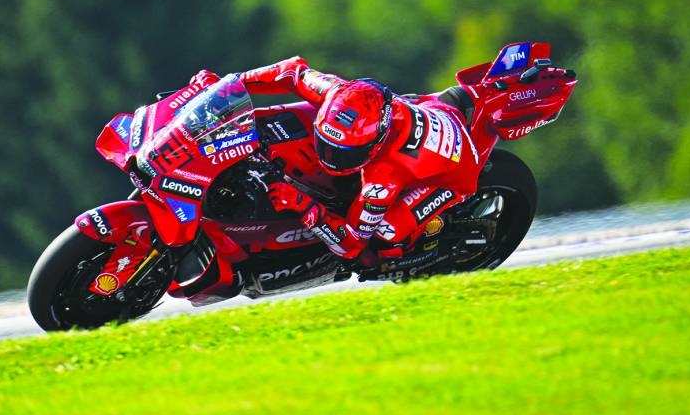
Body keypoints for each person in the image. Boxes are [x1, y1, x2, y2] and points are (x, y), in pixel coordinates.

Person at [193, 57, 483, 263]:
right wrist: (228, 87)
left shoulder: (383, 178)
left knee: (385, 237)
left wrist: (301, 203)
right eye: (326, 144)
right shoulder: (336, 91)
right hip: (427, 109)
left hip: (453, 175)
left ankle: (425, 241)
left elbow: (351, 245)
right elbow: (291, 71)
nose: (329, 158)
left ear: (375, 145)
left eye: (345, 153)